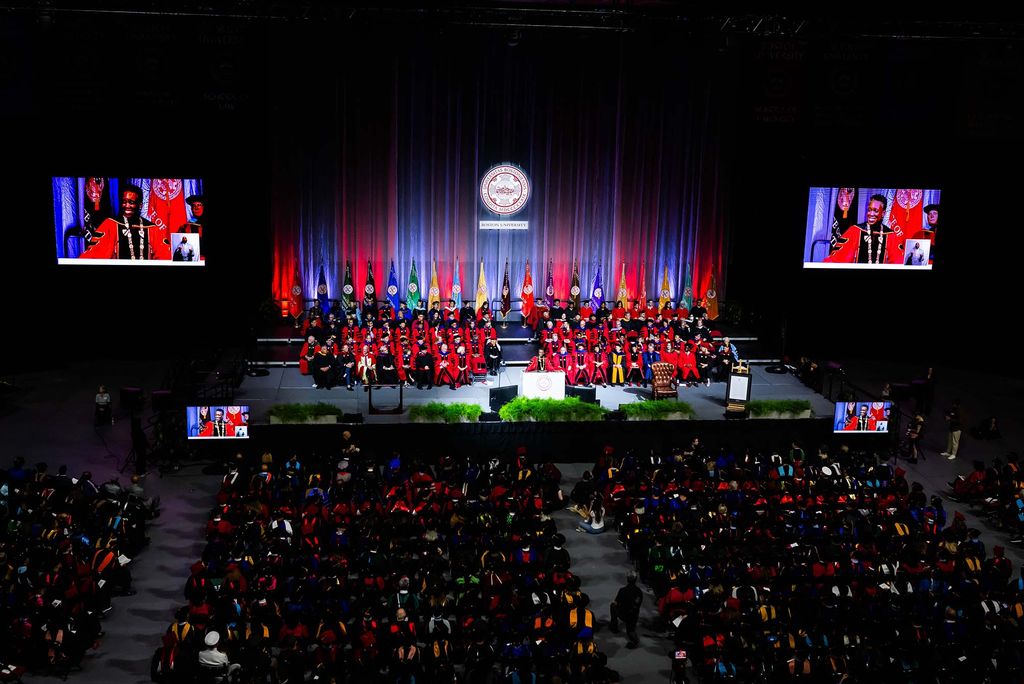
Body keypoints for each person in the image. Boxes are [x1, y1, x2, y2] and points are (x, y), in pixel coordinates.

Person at [81, 184, 159, 260]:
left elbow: (164, 256)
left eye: (131, 202)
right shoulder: (110, 225)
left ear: (140, 205)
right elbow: (93, 254)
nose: (127, 205)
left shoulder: (152, 229)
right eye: (124, 201)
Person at [825, 194, 903, 265]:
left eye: (875, 211)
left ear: (883, 213)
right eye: (869, 210)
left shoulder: (890, 235)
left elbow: (898, 262)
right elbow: (839, 257)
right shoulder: (855, 231)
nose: (871, 214)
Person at [609, 571, 643, 649]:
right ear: (636, 579)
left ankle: (614, 627)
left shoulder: (622, 590)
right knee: (630, 631)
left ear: (627, 579)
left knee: (612, 606)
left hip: (623, 614)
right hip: (633, 616)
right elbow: (638, 605)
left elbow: (616, 602)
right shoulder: (639, 592)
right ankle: (633, 637)